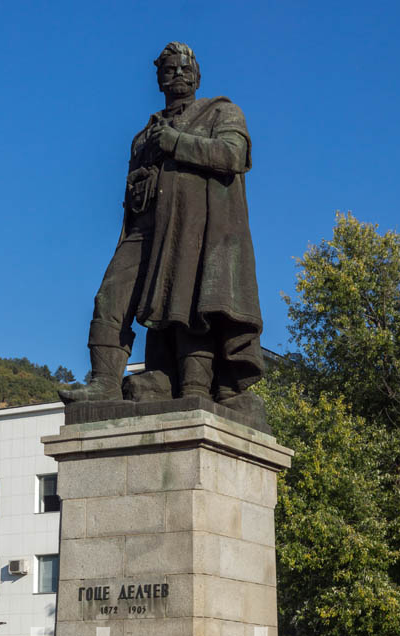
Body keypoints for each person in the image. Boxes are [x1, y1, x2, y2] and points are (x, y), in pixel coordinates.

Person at [60, 42, 264, 417]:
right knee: (110, 296)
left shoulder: (221, 112)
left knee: (187, 304)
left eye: (185, 68)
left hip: (193, 229)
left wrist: (177, 143)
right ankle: (103, 383)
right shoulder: (143, 136)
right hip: (144, 229)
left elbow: (233, 156)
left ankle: (192, 382)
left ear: (198, 75)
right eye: (169, 69)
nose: (178, 74)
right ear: (158, 78)